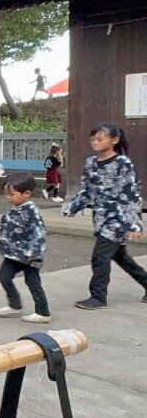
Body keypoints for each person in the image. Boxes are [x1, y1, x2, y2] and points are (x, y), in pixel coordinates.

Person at [63, 122, 147, 309]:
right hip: (100, 218)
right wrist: (74, 207)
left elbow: (132, 194)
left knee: (100, 256)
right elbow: (87, 190)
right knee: (122, 259)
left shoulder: (122, 164)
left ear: (114, 140)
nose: (95, 142)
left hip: (118, 220)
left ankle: (98, 297)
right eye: (93, 139)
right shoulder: (91, 163)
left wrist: (135, 224)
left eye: (100, 139)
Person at [0, 171, 50, 323]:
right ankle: (15, 304)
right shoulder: (15, 209)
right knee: (3, 276)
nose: (8, 197)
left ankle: (43, 312)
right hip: (13, 254)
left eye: (12, 194)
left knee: (33, 282)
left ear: (26, 193)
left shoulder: (32, 212)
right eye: (7, 194)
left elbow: (39, 233)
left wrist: (36, 252)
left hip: (29, 255)